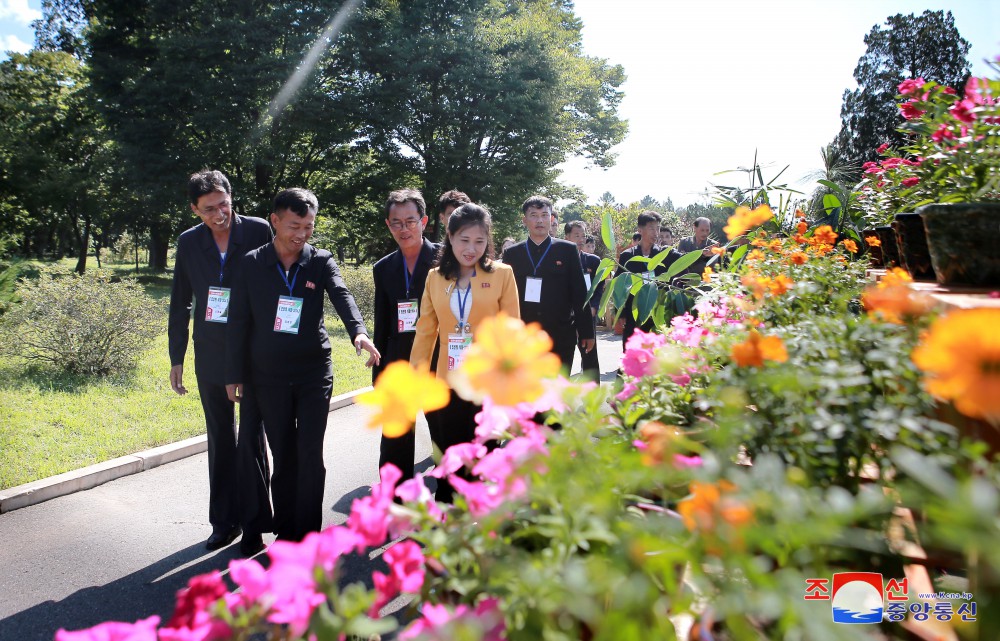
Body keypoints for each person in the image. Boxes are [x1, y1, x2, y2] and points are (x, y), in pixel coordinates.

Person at [225, 188, 381, 542]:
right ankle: (285, 529)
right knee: (283, 451)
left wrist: (358, 331)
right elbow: (237, 320)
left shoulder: (320, 260)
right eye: (294, 226)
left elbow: (342, 294)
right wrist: (234, 373)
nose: (301, 234)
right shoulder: (252, 263)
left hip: (313, 371)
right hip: (269, 374)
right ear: (275, 221)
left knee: (310, 452)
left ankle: (307, 534)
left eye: (308, 226)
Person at [168, 169, 273, 556]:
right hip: (210, 351)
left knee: (251, 438)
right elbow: (179, 300)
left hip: (253, 351)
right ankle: (223, 522)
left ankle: (254, 525)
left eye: (224, 204)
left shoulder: (260, 230)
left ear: (232, 197)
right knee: (220, 437)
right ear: (195, 209)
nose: (219, 214)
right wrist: (176, 355)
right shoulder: (190, 243)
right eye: (209, 208)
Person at [410, 203, 519, 502]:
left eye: (479, 241)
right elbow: (425, 329)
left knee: (484, 448)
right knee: (448, 449)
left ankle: (481, 511)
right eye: (464, 240)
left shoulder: (502, 274)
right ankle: (448, 512)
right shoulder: (435, 277)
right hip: (448, 380)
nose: (472, 249)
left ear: (488, 241)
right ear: (450, 237)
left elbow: (511, 329)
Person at [371, 189, 439, 483]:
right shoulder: (383, 268)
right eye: (396, 222)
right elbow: (382, 323)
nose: (404, 229)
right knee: (395, 439)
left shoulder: (445, 259)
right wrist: (379, 371)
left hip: (438, 362)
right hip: (399, 363)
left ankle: (453, 507)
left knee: (445, 437)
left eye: (410, 221)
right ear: (388, 225)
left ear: (423, 221)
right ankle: (392, 503)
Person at [502, 196, 595, 368]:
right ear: (524, 220)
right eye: (533, 215)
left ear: (551, 219)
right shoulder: (512, 254)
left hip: (560, 334)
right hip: (524, 336)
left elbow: (579, 293)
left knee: (557, 390)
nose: (539, 220)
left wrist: (587, 332)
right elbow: (505, 296)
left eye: (544, 215)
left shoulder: (567, 250)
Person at [615, 210, 682, 348]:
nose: (655, 232)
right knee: (632, 352)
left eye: (658, 228)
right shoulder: (627, 256)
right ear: (640, 230)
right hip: (634, 313)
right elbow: (619, 286)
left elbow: (684, 259)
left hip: (658, 312)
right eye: (651, 228)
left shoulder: (665, 254)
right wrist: (619, 312)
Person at [564, 220, 602, 379]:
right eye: (576, 235)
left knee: (589, 355)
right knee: (564, 355)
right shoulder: (559, 260)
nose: (581, 239)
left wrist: (594, 306)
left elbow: (599, 287)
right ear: (567, 237)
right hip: (566, 317)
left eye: (583, 235)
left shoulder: (593, 261)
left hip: (587, 314)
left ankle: (593, 395)